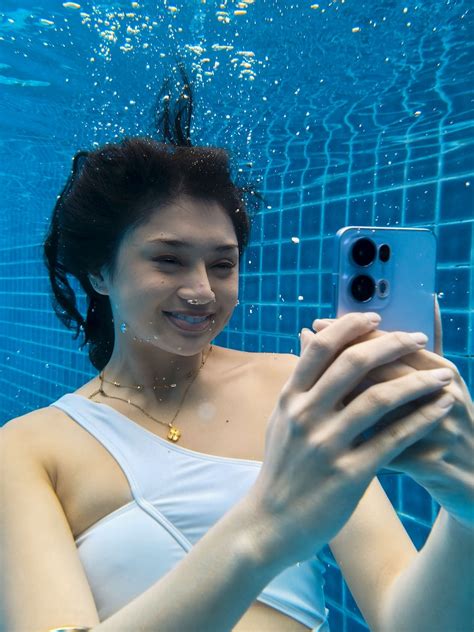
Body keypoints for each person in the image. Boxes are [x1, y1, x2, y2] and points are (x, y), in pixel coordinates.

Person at [1, 64, 473, 632]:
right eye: (169, 259)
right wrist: (266, 528)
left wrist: (465, 512)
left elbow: (409, 622)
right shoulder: (29, 449)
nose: (202, 290)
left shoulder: (293, 390)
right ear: (100, 272)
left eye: (222, 264)